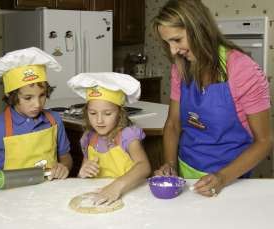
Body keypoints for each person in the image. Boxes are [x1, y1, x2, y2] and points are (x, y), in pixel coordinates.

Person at [153, 0, 272, 197]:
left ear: (198, 29)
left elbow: (265, 141)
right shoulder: (180, 68)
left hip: (231, 180)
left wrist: (222, 177)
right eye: (167, 43)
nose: (173, 50)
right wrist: (170, 165)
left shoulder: (243, 69)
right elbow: (173, 124)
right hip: (186, 172)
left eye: (177, 40)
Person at [0, 47, 73, 193]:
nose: (37, 104)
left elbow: (66, 158)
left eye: (42, 95)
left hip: (49, 193)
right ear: (12, 97)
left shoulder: (54, 120)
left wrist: (63, 167)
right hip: (11, 197)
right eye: (28, 98)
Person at [67, 72, 151, 204]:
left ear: (120, 114)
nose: (99, 120)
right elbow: (83, 176)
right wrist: (82, 174)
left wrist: (116, 186)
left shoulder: (127, 135)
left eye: (107, 113)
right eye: (93, 113)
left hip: (129, 196)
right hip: (101, 197)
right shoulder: (89, 138)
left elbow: (144, 166)